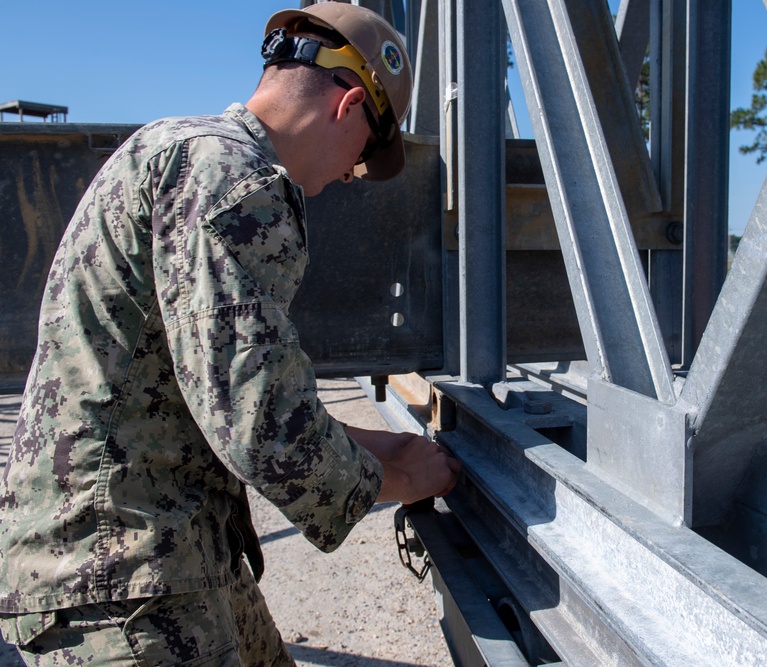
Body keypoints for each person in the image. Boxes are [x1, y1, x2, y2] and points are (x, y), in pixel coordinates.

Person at [0, 4, 460, 665]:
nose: (347, 177)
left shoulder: (176, 147)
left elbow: (204, 394)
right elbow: (263, 427)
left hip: (157, 547)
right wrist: (398, 478)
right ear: (349, 104)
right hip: (125, 576)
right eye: (362, 154)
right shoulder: (234, 181)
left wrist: (378, 445)